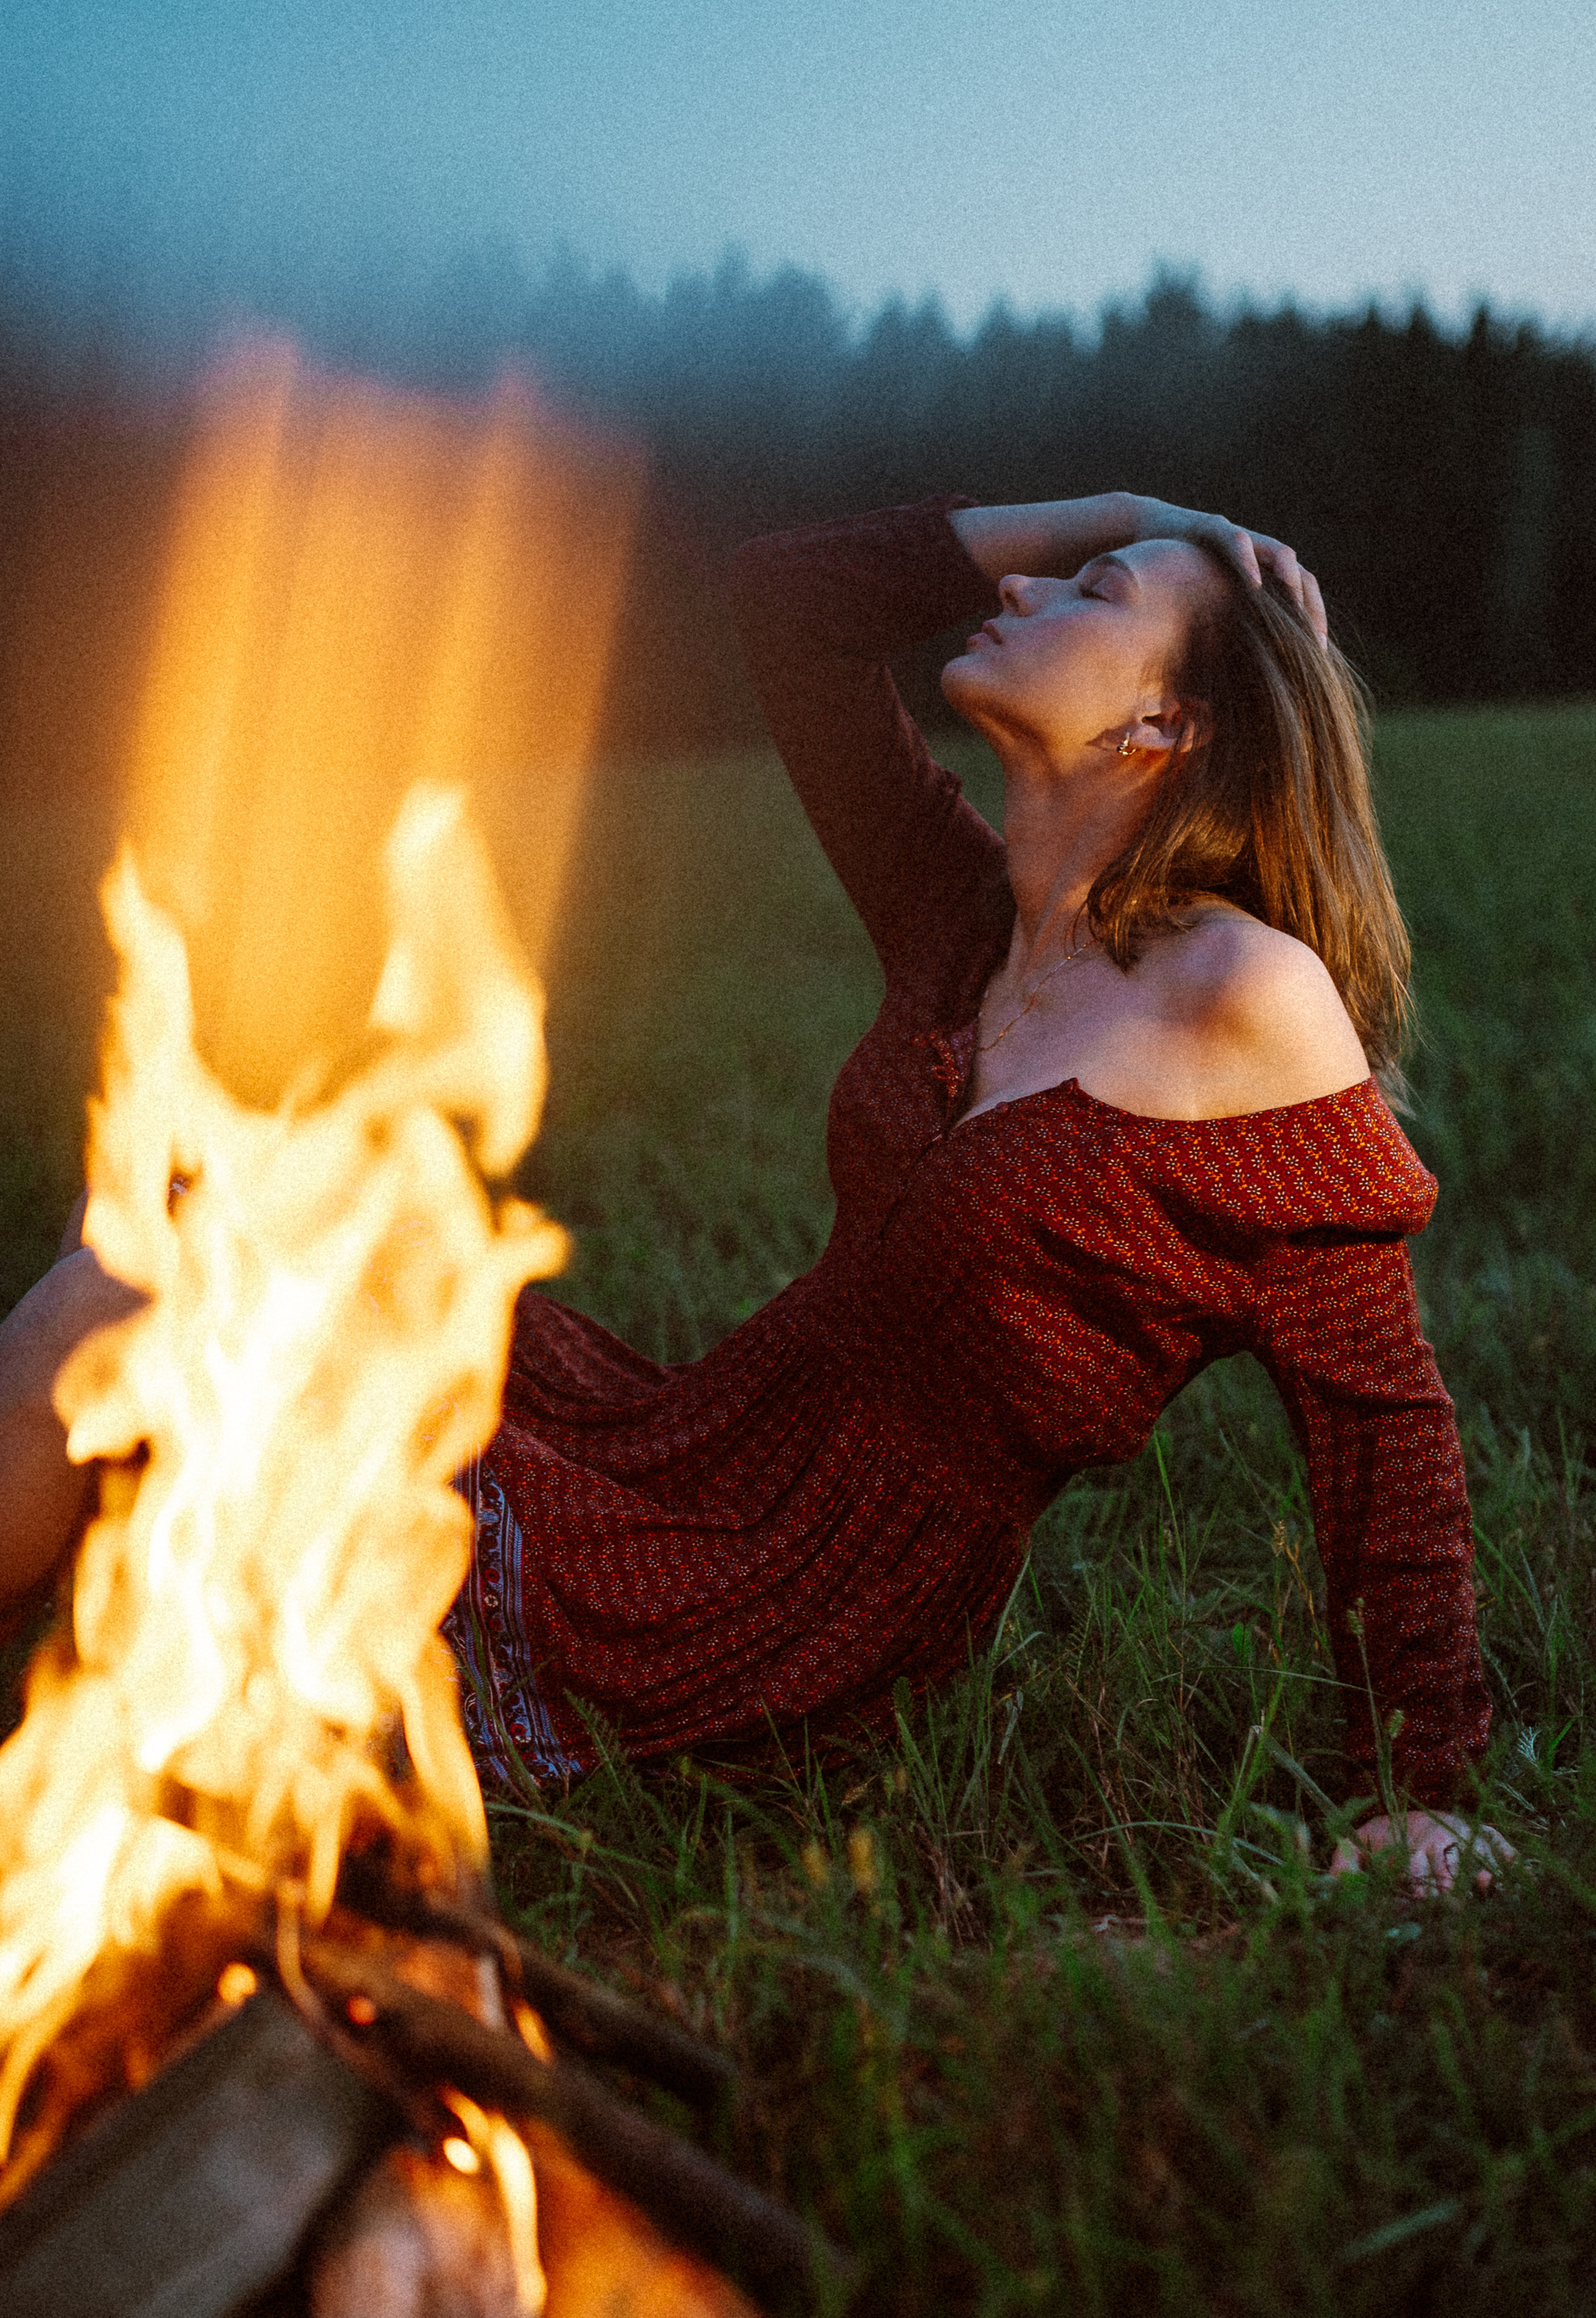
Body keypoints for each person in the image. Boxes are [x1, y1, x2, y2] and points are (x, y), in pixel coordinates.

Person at [0, 494, 1501, 1892]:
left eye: (1089, 592)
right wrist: (1131, 515)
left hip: (788, 1605)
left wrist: (1417, 1780)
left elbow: (1380, 1417)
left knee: (136, 1305)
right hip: (683, 1455)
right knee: (183, 1224)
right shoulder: (962, 917)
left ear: (1162, 720)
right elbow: (787, 603)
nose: (1024, 584)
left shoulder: (1242, 995)